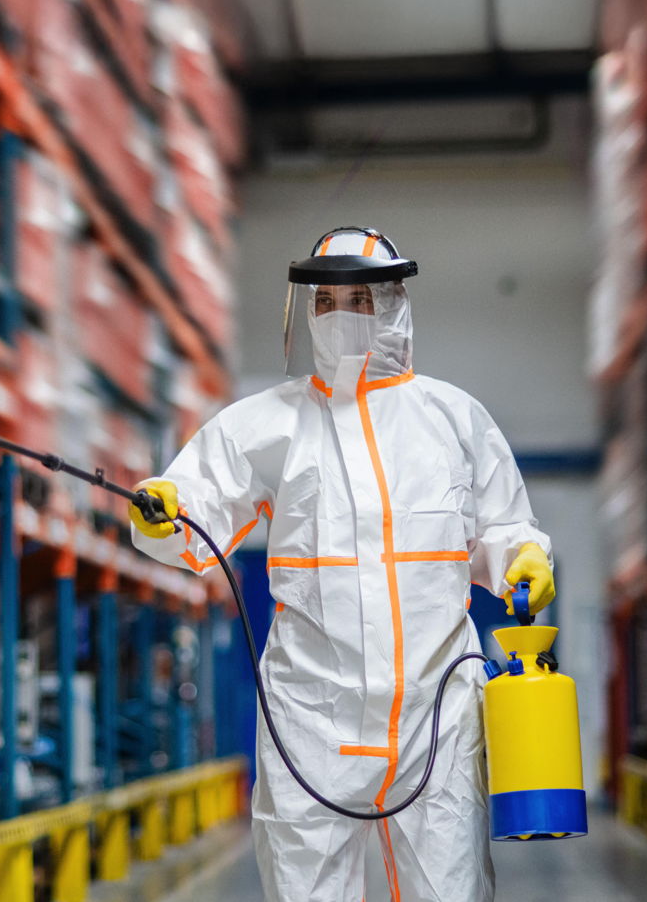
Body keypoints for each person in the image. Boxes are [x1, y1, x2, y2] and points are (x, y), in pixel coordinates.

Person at [127, 227, 555, 901]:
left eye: (363, 297)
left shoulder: (454, 420)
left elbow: (504, 527)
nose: (346, 315)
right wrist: (162, 507)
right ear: (305, 310)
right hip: (311, 722)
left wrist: (524, 556)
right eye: (327, 301)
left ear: (395, 302)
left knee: (451, 889)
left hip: (435, 718)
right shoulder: (267, 423)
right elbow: (191, 508)